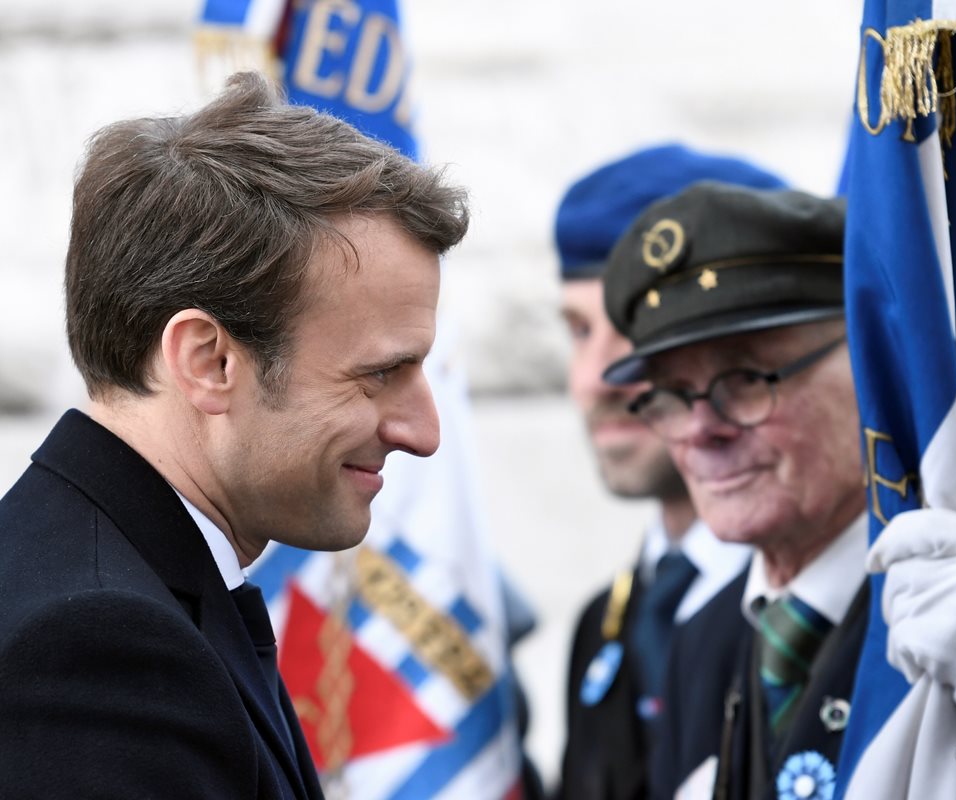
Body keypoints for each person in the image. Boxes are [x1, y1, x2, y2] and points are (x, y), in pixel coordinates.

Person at [0, 72, 468, 799]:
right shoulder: (99, 644)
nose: (424, 432)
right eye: (380, 373)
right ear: (209, 361)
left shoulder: (122, 585)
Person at [601, 182, 956, 800]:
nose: (701, 430)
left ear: (873, 362)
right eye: (671, 394)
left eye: (744, 377)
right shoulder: (703, 644)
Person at [553, 145, 784, 800]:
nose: (593, 380)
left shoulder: (821, 603)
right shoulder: (606, 624)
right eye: (577, 330)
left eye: (634, 332)